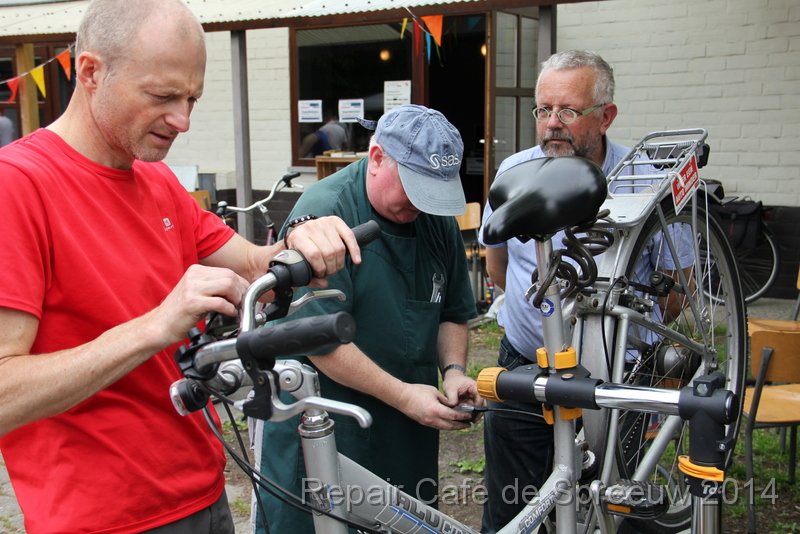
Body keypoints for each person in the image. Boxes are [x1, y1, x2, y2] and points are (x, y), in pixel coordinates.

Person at [0, 1, 361, 533]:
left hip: (204, 493)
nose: (183, 120)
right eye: (163, 96)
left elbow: (257, 265)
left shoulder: (158, 182)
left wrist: (302, 238)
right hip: (101, 520)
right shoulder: (18, 186)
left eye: (192, 97)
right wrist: (154, 327)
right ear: (91, 72)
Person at [478, 49, 694, 532]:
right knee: (513, 508)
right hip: (525, 362)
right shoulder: (515, 171)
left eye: (569, 111)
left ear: (606, 116)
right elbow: (498, 268)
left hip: (619, 371)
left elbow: (680, 289)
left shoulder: (645, 180)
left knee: (615, 504)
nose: (552, 124)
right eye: (544, 110)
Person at [254, 104, 481, 533]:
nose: (421, 204)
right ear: (377, 158)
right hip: (327, 420)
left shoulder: (433, 220)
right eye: (414, 188)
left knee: (404, 521)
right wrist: (404, 395)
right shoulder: (325, 215)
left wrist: (452, 372)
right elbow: (318, 340)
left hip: (406, 422)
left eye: (433, 192)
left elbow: (452, 310)